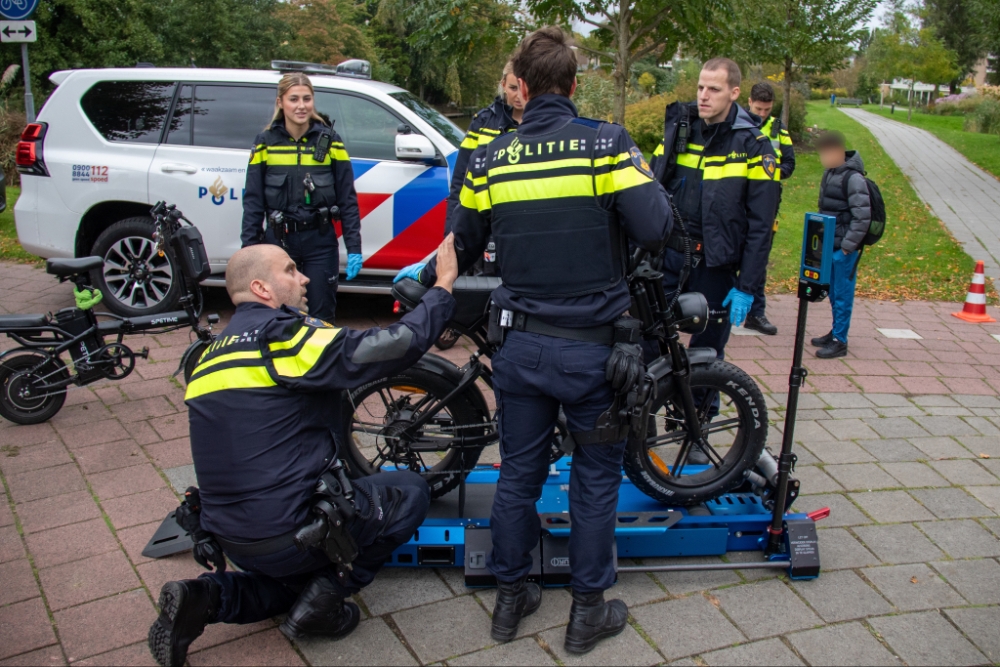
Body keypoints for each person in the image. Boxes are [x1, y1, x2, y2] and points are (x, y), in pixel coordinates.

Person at [396, 26, 672, 655]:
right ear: (574, 86)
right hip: (592, 354)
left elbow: (459, 243)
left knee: (518, 474)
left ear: (520, 89)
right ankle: (586, 613)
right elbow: (655, 228)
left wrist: (425, 289)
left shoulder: (491, 158)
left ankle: (509, 599)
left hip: (518, 349)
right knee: (594, 482)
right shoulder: (606, 144)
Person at [146, 236, 460, 667]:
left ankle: (205, 597)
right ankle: (327, 601)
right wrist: (442, 288)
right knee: (409, 491)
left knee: (289, 586)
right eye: (291, 270)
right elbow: (390, 346)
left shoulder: (207, 357)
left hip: (231, 538)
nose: (305, 277)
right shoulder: (283, 337)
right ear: (261, 289)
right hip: (292, 531)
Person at [649, 58, 779, 365]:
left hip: (715, 264)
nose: (703, 96)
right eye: (700, 87)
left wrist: (747, 287)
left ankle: (699, 413)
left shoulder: (754, 147)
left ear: (734, 92)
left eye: (714, 89)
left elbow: (761, 226)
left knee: (706, 355)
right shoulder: (680, 133)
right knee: (647, 340)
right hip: (668, 258)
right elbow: (648, 191)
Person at [241, 72, 363, 324]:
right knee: (281, 317)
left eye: (307, 99)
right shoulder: (265, 143)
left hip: (320, 242)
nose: (301, 105)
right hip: (279, 245)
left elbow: (348, 199)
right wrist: (249, 253)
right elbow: (253, 202)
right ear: (280, 102)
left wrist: (354, 248)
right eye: (293, 99)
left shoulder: (331, 143)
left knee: (321, 316)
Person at [446, 60, 524, 234]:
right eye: (513, 88)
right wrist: (450, 236)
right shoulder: (483, 122)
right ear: (503, 85)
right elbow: (460, 181)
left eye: (523, 88)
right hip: (484, 223)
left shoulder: (541, 122)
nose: (519, 96)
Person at [743, 81, 796, 336]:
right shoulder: (737, 123)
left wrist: (770, 176)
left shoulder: (778, 129)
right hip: (736, 202)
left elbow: (790, 163)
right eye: (758, 108)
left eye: (766, 109)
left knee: (758, 257)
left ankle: (756, 313)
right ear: (749, 101)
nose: (761, 114)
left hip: (766, 203)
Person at [813, 130, 871, 359]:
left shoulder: (853, 178)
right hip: (831, 244)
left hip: (845, 249)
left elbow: (862, 217)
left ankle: (840, 341)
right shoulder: (830, 173)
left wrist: (847, 247)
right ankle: (835, 332)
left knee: (843, 294)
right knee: (833, 293)